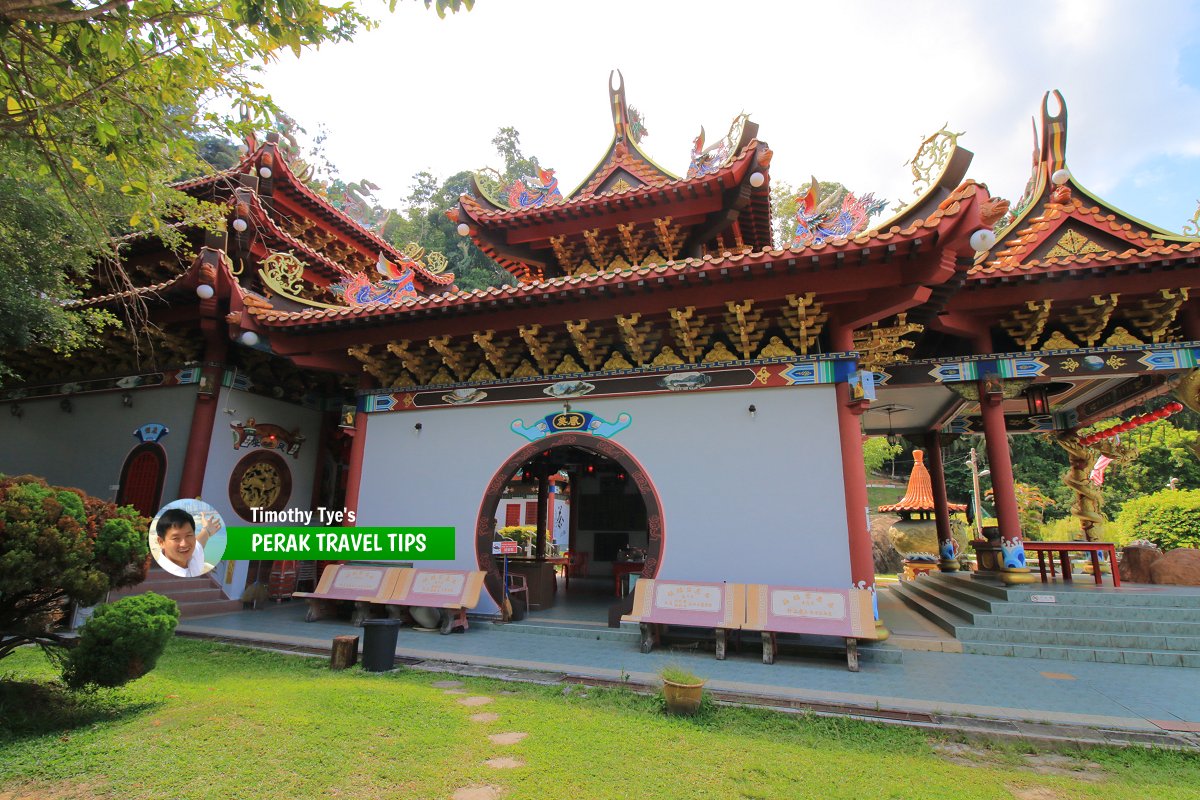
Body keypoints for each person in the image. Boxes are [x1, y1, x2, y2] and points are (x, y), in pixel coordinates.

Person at [154, 507, 213, 577]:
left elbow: (200, 541)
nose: (184, 544)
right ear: (161, 542)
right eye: (176, 538)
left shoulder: (193, 554)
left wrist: (207, 529)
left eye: (188, 535)